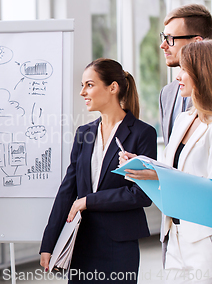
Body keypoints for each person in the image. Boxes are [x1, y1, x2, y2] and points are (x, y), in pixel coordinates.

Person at [39, 59, 157, 283]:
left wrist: (89, 201)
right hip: (81, 241)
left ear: (113, 87)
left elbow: (141, 194)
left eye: (89, 85)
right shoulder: (85, 133)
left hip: (119, 244)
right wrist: (48, 242)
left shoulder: (142, 133)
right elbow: (67, 190)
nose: (83, 92)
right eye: (82, 85)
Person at [123, 40, 212, 282]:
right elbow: (172, 171)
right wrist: (144, 165)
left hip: (205, 239)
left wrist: (160, 175)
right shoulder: (184, 119)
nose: (177, 76)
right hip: (175, 234)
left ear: (202, 72)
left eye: (184, 69)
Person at [159, 4, 212, 145]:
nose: (163, 45)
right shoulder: (166, 93)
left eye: (170, 38)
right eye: (163, 37)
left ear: (196, 42)